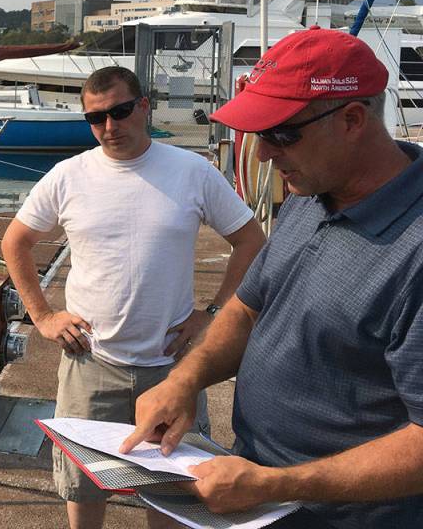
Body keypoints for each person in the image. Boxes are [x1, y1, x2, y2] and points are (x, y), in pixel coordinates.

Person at [122, 26, 423, 528]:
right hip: (256, 491)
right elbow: (248, 307)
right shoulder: (309, 194)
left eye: (281, 134)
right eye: (257, 134)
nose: (262, 154)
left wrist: (281, 484)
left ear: (352, 119)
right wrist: (184, 380)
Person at [2, 66, 265, 529]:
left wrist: (214, 311)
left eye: (120, 112)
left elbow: (250, 239)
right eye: (95, 118)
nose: (109, 127)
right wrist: (41, 315)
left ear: (144, 106)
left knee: (171, 490)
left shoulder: (191, 171)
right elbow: (15, 242)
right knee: (83, 486)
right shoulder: (68, 176)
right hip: (91, 361)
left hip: (172, 367)